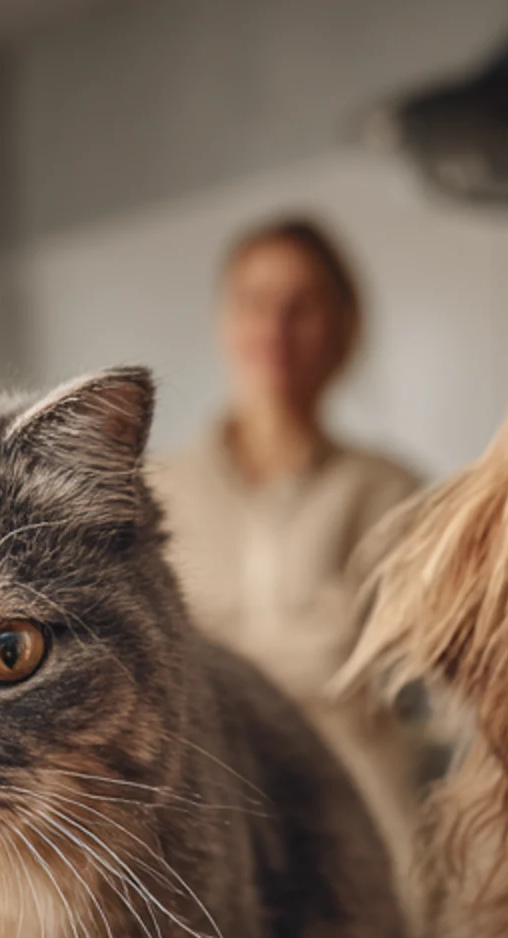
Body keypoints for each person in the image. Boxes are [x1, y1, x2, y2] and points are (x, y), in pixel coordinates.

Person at [151, 216, 425, 857]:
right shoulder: (154, 492)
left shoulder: (391, 492)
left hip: (365, 815)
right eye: (255, 303)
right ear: (225, 321)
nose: (275, 328)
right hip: (209, 810)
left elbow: (433, 667)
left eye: (301, 307)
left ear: (344, 329)